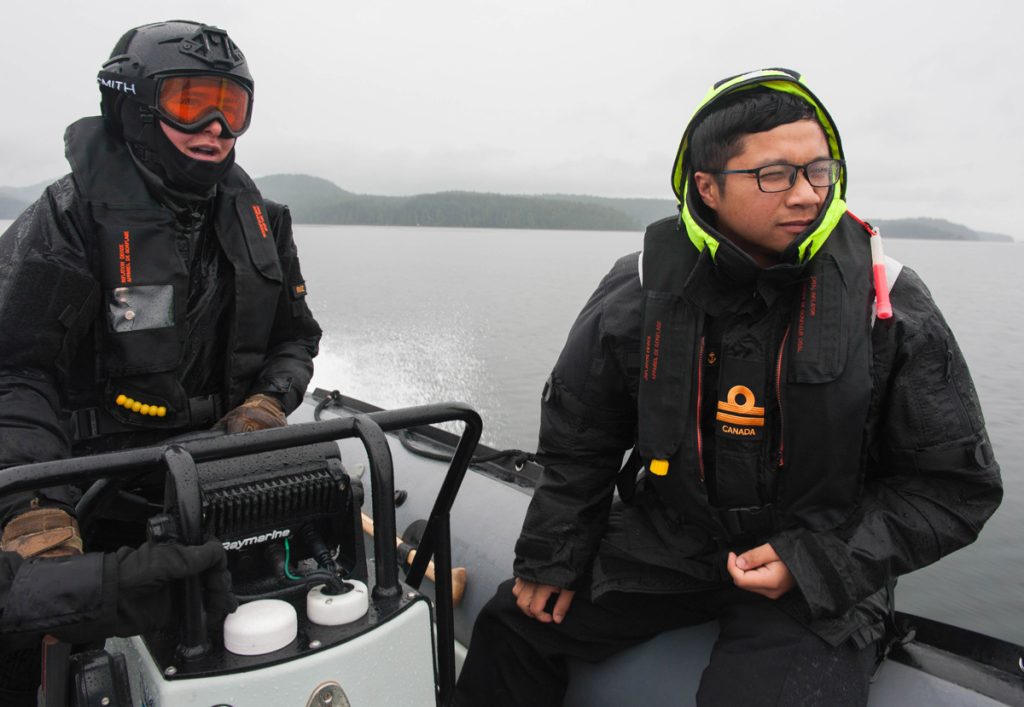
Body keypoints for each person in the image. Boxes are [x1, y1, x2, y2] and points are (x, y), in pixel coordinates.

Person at [455, 68, 1002, 706]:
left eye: (819, 171)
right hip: (669, 539)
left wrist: (817, 561)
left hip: (821, 559)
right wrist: (553, 555)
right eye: (774, 175)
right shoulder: (638, 291)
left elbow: (954, 489)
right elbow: (583, 437)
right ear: (707, 187)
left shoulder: (889, 303)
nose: (807, 195)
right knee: (514, 628)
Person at [0, 20, 321, 703]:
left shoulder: (263, 220)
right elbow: (15, 370)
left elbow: (296, 337)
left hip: (220, 477)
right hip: (92, 490)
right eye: (191, 103)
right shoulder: (68, 219)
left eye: (231, 109)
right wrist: (37, 511)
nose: (215, 128)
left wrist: (267, 402)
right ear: (132, 106)